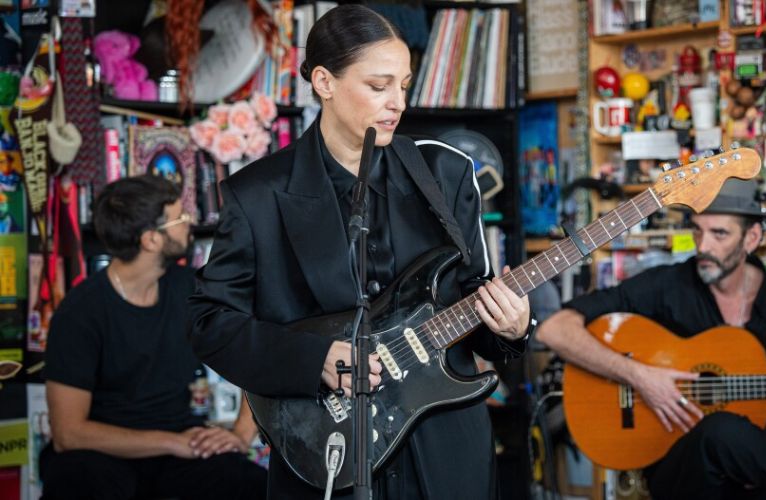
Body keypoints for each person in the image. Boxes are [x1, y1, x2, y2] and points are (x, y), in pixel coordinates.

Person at [187, 5, 531, 499]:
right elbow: (209, 322)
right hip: (323, 450)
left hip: (445, 451)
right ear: (325, 81)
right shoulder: (257, 193)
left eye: (404, 85)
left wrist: (513, 328)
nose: (397, 103)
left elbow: (476, 301)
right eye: (379, 86)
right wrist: (314, 360)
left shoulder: (446, 173)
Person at [536, 179, 766, 500]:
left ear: (752, 238)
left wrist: (760, 457)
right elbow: (554, 328)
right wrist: (640, 376)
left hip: (762, 472)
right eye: (697, 231)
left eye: (719, 234)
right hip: (679, 469)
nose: (702, 246)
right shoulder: (665, 285)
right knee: (719, 428)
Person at [40, 175, 267, 500]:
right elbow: (68, 433)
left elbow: (257, 351)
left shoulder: (191, 289)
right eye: (180, 218)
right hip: (101, 453)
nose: (190, 223)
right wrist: (173, 442)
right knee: (78, 481)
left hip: (182, 447)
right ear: (150, 240)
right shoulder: (79, 312)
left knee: (250, 485)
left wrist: (242, 433)